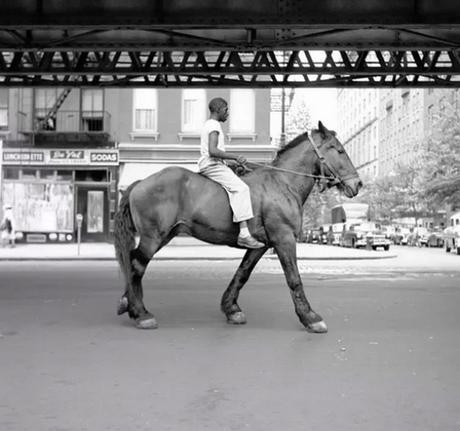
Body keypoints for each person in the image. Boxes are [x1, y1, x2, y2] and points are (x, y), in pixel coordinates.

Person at [198, 97, 264, 249]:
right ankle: (244, 234)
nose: (228, 113)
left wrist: (232, 164)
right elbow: (213, 151)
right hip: (212, 165)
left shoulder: (209, 124)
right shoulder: (214, 125)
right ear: (218, 109)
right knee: (242, 189)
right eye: (226, 110)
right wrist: (235, 156)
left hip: (214, 164)